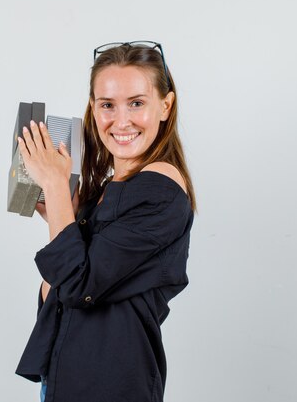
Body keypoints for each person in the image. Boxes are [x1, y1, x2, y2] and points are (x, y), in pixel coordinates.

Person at [15, 41, 196, 402]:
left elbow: (78, 285)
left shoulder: (159, 189)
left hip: (110, 384)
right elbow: (58, 296)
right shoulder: (106, 191)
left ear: (166, 105)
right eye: (107, 105)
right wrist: (61, 213)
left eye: (137, 103)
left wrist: (53, 181)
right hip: (68, 378)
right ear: (93, 109)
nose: (121, 120)